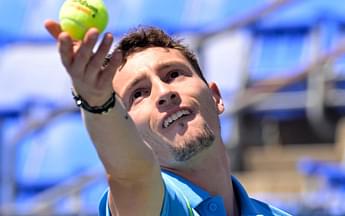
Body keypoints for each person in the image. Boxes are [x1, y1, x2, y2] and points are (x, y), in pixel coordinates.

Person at [44, 19, 292, 216]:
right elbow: (131, 176)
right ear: (127, 125)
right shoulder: (149, 205)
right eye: (138, 94)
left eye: (173, 74)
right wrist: (98, 103)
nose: (164, 93)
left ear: (215, 97)